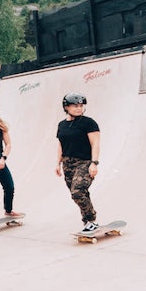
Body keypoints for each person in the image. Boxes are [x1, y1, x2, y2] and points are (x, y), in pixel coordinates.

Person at [55, 92, 101, 232]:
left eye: (81, 106)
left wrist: (94, 163)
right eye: (75, 106)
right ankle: (87, 222)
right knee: (79, 194)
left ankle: (91, 219)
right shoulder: (62, 125)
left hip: (84, 162)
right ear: (66, 107)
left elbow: (95, 143)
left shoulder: (88, 123)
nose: (79, 108)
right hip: (67, 164)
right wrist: (58, 163)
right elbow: (60, 145)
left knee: (78, 191)